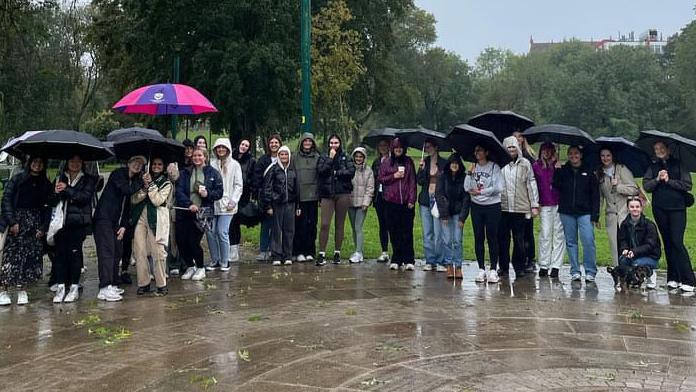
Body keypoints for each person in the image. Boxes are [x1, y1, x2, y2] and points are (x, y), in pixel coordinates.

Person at [643, 141, 695, 292]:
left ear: (668, 149)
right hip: (660, 208)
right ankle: (673, 277)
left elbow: (687, 185)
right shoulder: (653, 166)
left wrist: (669, 181)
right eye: (656, 148)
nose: (658, 151)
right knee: (667, 243)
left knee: (677, 242)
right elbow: (647, 186)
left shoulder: (679, 164)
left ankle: (689, 280)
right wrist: (658, 179)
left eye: (661, 148)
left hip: (677, 208)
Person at [0, 157, 51, 306]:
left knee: (30, 256)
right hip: (15, 222)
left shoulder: (45, 183)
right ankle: (4, 290)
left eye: (41, 163)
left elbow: (47, 207)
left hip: (34, 223)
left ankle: (23, 289)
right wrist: (12, 221)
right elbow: (6, 200)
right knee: (10, 256)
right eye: (35, 162)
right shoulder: (17, 179)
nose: (37, 165)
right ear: (29, 163)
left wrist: (43, 227)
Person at [93, 155, 145, 301]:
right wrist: (142, 182)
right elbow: (126, 190)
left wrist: (123, 226)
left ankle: (113, 283)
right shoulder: (118, 174)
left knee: (117, 251)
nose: (137, 165)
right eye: (135, 162)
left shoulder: (134, 180)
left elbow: (128, 205)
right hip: (104, 218)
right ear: (128, 163)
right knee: (107, 251)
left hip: (117, 222)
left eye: (140, 164)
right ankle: (104, 286)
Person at [49, 155, 97, 303]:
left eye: (78, 161)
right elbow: (51, 200)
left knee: (75, 254)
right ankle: (61, 286)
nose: (75, 164)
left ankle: (74, 287)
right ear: (67, 163)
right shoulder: (59, 178)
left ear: (82, 163)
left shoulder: (88, 179)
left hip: (78, 223)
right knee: (60, 255)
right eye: (71, 161)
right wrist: (56, 193)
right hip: (60, 223)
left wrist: (67, 189)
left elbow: (84, 198)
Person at [554, 145, 600, 283]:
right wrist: (556, 170)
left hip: (585, 212)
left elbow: (595, 195)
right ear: (568, 155)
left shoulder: (589, 171)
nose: (573, 156)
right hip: (567, 212)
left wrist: (595, 215)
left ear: (580, 155)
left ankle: (590, 270)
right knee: (571, 242)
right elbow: (556, 185)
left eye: (576, 153)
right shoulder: (563, 170)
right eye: (571, 154)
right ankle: (575, 271)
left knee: (588, 241)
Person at [176, 148, 223, 281]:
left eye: (200, 155)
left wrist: (208, 194)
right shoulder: (185, 172)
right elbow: (179, 191)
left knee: (194, 241)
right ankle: (190, 266)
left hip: (203, 212)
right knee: (181, 241)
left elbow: (219, 192)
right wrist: (188, 204)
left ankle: (201, 267)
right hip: (185, 210)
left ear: (205, 157)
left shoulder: (213, 173)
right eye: (195, 155)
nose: (197, 158)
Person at [498, 136, 540, 278]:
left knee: (519, 240)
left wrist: (534, 205)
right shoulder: (499, 163)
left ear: (518, 148)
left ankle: (519, 267)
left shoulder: (525, 163)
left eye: (513, 146)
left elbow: (531, 184)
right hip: (503, 207)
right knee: (503, 240)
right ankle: (503, 267)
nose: (511, 149)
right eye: (508, 147)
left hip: (520, 208)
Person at [131, 157, 173, 296]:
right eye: (154, 164)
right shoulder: (141, 179)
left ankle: (161, 284)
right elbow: (134, 199)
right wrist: (144, 187)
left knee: (158, 252)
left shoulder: (167, 183)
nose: (156, 166)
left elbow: (157, 200)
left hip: (158, 219)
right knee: (140, 251)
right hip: (140, 218)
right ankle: (144, 283)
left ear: (163, 167)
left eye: (159, 164)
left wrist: (151, 186)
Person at [464, 145, 504, 283]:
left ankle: (493, 269)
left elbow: (498, 188)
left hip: (492, 206)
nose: (477, 153)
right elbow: (466, 187)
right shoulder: (473, 167)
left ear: (486, 152)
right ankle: (481, 269)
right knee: (478, 237)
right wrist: (469, 174)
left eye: (480, 150)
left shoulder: (494, 167)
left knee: (492, 237)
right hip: (476, 206)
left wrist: (481, 192)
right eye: (475, 151)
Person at [316, 134, 355, 265]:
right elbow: (321, 171)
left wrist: (337, 173)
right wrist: (330, 159)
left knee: (340, 224)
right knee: (325, 224)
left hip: (343, 193)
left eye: (336, 143)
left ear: (340, 144)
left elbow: (350, 172)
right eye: (331, 143)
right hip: (327, 194)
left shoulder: (346, 157)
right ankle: (322, 253)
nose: (333, 145)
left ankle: (337, 252)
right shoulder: (323, 157)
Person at [378, 138, 417, 271]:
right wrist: (394, 176)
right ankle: (396, 258)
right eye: (396, 148)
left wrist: (412, 199)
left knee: (407, 231)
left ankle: (409, 259)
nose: (398, 150)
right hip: (391, 202)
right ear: (392, 149)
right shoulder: (386, 162)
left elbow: (412, 181)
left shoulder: (409, 162)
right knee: (394, 231)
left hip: (406, 203)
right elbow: (381, 178)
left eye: (400, 147)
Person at [596, 147, 639, 266]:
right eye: (603, 156)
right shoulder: (599, 173)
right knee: (615, 246)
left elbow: (634, 190)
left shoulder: (622, 169)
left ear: (612, 156)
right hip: (611, 215)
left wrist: (619, 186)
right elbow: (600, 198)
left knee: (628, 244)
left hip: (624, 213)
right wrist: (597, 215)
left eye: (608, 155)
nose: (605, 158)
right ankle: (619, 271)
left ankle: (632, 269)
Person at [205, 138, 243, 272]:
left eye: (223, 147)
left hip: (228, 205)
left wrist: (233, 200)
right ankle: (215, 259)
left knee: (222, 231)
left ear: (228, 149)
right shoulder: (211, 164)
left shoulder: (235, 165)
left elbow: (238, 185)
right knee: (210, 232)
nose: (221, 150)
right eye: (218, 148)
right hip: (212, 204)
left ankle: (225, 261)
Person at [532, 142, 565, 278]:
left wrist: (559, 169)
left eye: (549, 150)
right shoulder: (536, 166)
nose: (546, 152)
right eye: (544, 150)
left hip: (558, 203)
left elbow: (562, 184)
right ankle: (544, 264)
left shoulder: (557, 166)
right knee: (545, 233)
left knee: (558, 234)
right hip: (544, 203)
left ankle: (556, 265)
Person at [261, 146, 298, 265]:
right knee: (276, 230)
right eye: (281, 154)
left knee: (289, 230)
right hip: (277, 204)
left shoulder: (292, 170)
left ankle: (288, 255)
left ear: (289, 156)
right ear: (278, 156)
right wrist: (268, 205)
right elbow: (267, 188)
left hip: (290, 204)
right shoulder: (273, 169)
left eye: (285, 154)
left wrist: (298, 206)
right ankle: (276, 255)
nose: (283, 157)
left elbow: (297, 189)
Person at [435, 153, 470, 279]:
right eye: (452, 163)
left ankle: (458, 266)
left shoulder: (464, 178)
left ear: (459, 165)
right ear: (449, 165)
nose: (454, 165)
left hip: (458, 213)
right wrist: (444, 214)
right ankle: (449, 264)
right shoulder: (443, 177)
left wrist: (462, 217)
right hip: (446, 214)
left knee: (457, 240)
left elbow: (466, 199)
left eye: (456, 163)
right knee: (447, 240)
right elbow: (439, 195)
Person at [417, 139, 447, 272]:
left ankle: (440, 261)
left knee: (438, 232)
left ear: (436, 147)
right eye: (425, 147)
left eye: (429, 146)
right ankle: (430, 260)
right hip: (425, 200)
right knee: (427, 232)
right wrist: (422, 169)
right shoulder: (425, 163)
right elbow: (420, 182)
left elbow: (447, 182)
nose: (427, 149)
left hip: (438, 200)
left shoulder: (444, 163)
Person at [618, 197, 661, 289]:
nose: (635, 209)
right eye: (632, 207)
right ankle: (633, 279)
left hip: (650, 256)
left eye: (637, 206)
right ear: (628, 208)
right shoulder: (624, 224)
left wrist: (635, 251)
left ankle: (651, 273)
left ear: (641, 208)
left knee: (637, 264)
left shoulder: (649, 225)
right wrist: (624, 249)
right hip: (632, 254)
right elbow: (622, 240)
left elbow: (650, 245)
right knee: (622, 261)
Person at [253, 133, 282, 261]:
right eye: (272, 143)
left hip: (280, 197)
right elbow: (257, 179)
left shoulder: (284, 158)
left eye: (276, 142)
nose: (274, 145)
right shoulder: (263, 160)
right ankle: (263, 249)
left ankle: (273, 249)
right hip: (266, 197)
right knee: (266, 225)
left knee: (277, 225)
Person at [168, 139, 195, 276]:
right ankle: (174, 262)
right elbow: (173, 180)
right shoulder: (175, 164)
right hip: (176, 203)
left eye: (191, 148)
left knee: (188, 235)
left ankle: (187, 262)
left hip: (192, 203)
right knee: (174, 235)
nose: (189, 151)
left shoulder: (195, 164)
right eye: (186, 148)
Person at [292, 133, 320, 262]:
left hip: (313, 196)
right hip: (300, 196)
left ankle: (310, 251)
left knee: (312, 225)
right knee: (300, 225)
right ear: (302, 142)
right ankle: (299, 251)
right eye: (305, 141)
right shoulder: (295, 157)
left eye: (310, 141)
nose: (307, 143)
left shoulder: (317, 157)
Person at [513, 131, 537, 273]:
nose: (518, 139)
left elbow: (533, 179)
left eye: (520, 136)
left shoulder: (529, 156)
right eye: (515, 137)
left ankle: (531, 259)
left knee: (528, 232)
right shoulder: (508, 156)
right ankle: (520, 259)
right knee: (517, 233)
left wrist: (534, 201)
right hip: (512, 200)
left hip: (526, 200)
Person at [229, 139, 255, 262]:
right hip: (228, 193)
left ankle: (234, 250)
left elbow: (252, 177)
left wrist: (247, 184)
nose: (243, 147)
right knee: (228, 223)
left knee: (235, 222)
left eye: (246, 146)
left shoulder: (250, 161)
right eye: (242, 144)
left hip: (242, 196)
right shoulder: (230, 157)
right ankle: (229, 248)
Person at [348, 147, 374, 263]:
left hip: (362, 204)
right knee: (353, 228)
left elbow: (370, 188)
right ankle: (357, 250)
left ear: (364, 158)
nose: (358, 158)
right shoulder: (349, 168)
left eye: (361, 156)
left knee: (358, 227)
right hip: (350, 202)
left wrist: (366, 202)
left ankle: (359, 252)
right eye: (356, 156)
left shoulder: (368, 171)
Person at [371, 139, 392, 262]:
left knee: (392, 225)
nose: (382, 147)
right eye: (380, 145)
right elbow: (374, 178)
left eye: (385, 145)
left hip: (391, 197)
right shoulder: (376, 162)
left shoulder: (393, 161)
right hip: (379, 197)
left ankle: (397, 251)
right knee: (382, 225)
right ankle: (384, 251)